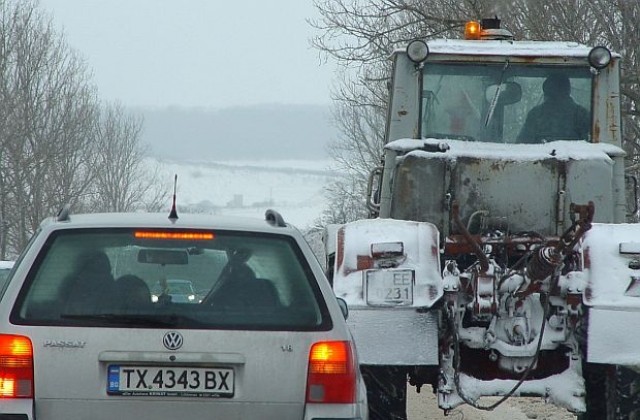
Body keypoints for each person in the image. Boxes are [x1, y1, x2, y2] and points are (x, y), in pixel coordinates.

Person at [517, 74, 590, 143]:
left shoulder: (536, 115)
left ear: (546, 92)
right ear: (568, 91)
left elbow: (522, 146)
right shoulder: (582, 114)